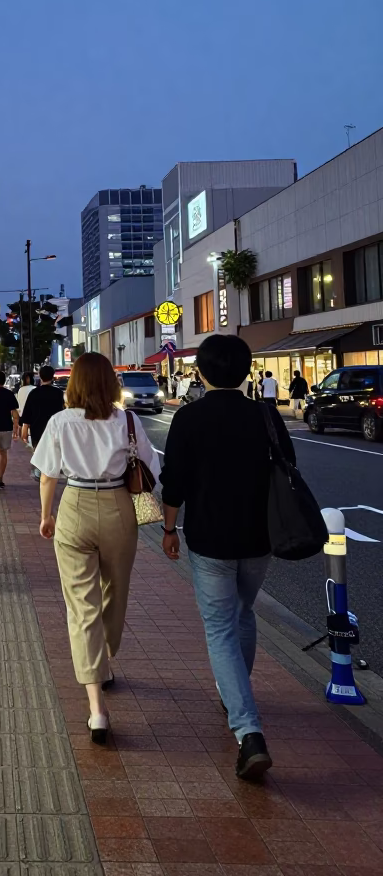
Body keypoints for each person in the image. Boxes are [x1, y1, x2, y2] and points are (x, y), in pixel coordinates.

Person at [160, 334, 296, 780]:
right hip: (260, 537)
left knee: (219, 627)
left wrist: (167, 528)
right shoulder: (265, 414)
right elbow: (288, 469)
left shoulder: (190, 417)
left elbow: (174, 481)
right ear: (245, 371)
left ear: (200, 371)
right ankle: (235, 694)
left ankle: (248, 730)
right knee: (243, 612)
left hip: (210, 537)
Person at [33, 353, 160, 743]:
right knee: (115, 591)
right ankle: (102, 664)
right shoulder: (129, 420)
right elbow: (154, 470)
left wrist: (46, 515)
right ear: (111, 383)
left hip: (74, 505)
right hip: (118, 507)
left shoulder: (60, 422)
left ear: (74, 384)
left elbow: (47, 475)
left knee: (81, 604)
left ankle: (96, 709)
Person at [20, 365, 66, 479]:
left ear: (40, 376)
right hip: (55, 429)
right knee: (54, 452)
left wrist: (24, 430)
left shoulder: (34, 393)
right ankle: (50, 472)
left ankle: (40, 472)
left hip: (37, 429)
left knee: (38, 452)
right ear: (52, 376)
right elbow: (64, 412)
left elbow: (27, 413)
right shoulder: (59, 393)